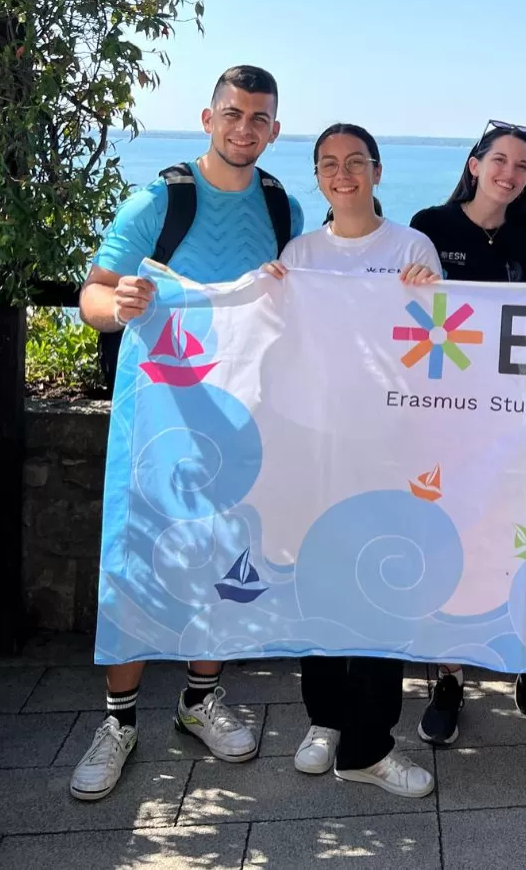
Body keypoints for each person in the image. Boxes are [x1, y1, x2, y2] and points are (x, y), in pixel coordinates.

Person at [73, 65, 304, 801]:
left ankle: (200, 700)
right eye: (232, 114)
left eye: (259, 118)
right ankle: (117, 721)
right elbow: (91, 292)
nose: (244, 128)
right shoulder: (161, 200)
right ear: (208, 118)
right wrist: (121, 303)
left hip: (244, 420)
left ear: (274, 128)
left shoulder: (282, 208)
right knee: (135, 557)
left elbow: (313, 295)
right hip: (159, 419)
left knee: (225, 553)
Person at [266, 121, 441, 798]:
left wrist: (431, 293)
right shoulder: (300, 251)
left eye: (357, 161)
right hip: (314, 446)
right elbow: (281, 345)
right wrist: (269, 291)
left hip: (389, 447)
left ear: (377, 170)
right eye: (330, 163)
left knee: (379, 588)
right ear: (317, 177)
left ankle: (370, 743)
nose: (344, 174)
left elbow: (438, 345)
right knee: (321, 582)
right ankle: (325, 722)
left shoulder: (410, 246)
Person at [408, 120, 526, 744]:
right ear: (474, 164)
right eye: (500, 160)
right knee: (452, 539)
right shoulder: (429, 228)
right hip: (446, 417)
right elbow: (398, 310)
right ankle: (448, 672)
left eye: (521, 166)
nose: (509, 173)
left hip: (518, 418)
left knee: (520, 532)